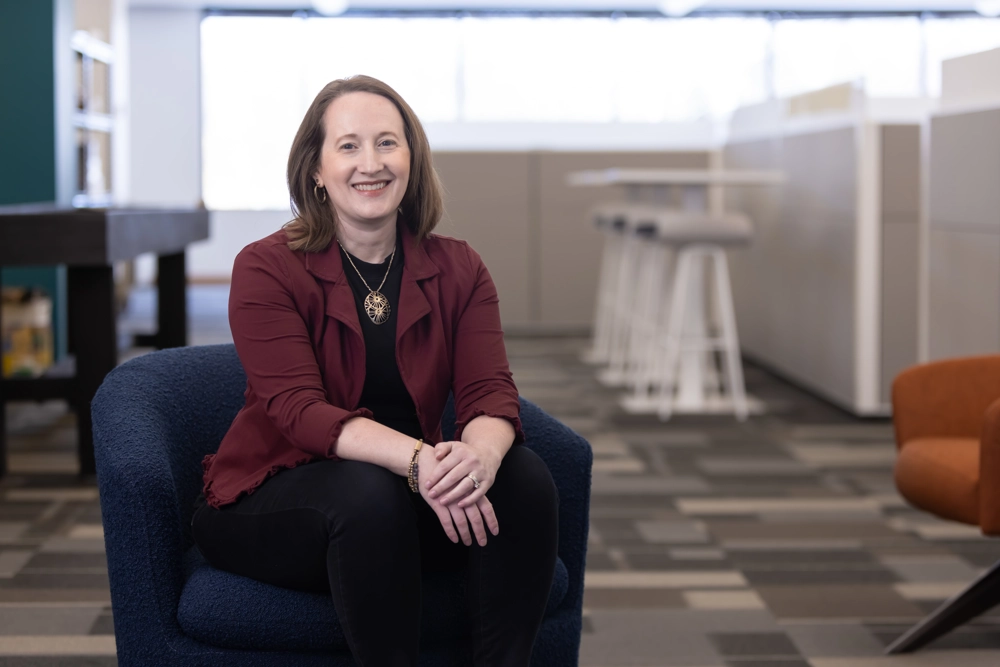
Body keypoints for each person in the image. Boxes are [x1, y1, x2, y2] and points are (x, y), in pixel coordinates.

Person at [190, 75, 559, 667]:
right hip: (277, 498)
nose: (371, 163)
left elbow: (490, 392)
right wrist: (421, 462)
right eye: (348, 146)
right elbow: (300, 412)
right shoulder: (265, 267)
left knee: (524, 479)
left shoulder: (460, 267)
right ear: (315, 168)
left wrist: (476, 462)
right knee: (367, 494)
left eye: (388, 143)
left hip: (404, 494)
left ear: (412, 159)